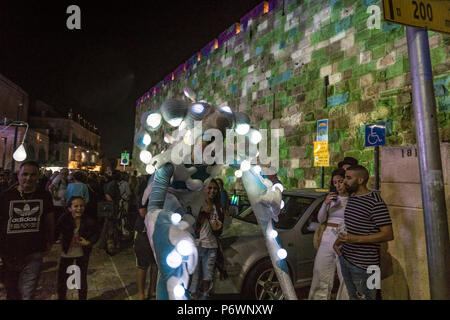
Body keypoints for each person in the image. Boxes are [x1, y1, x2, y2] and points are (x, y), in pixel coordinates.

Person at [333, 165, 394, 300]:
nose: (344, 182)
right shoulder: (353, 198)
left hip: (367, 265)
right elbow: (351, 226)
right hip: (346, 259)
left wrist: (355, 239)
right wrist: (337, 245)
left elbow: (388, 234)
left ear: (360, 180)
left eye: (348, 178)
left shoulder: (375, 202)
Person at [0, 160, 55, 300]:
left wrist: (50, 241)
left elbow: (50, 221)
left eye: (33, 175)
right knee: (12, 292)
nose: (28, 178)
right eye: (25, 174)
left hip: (34, 252)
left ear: (38, 177)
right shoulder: (6, 196)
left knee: (27, 293)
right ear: (18, 175)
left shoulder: (44, 196)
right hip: (9, 253)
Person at [309, 168, 349, 300]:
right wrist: (325, 204)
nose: (338, 185)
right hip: (328, 236)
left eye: (341, 181)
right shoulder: (331, 199)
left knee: (344, 275)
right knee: (321, 271)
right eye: (335, 182)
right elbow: (321, 219)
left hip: (344, 236)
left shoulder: (352, 199)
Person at [56, 196, 99, 300]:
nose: (79, 208)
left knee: (81, 278)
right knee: (63, 278)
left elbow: (97, 233)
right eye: (76, 206)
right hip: (67, 252)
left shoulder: (89, 219)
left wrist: (88, 242)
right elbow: (56, 230)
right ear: (70, 208)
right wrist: (58, 238)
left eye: (81, 206)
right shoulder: (64, 218)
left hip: (82, 252)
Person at [189, 179, 224, 300]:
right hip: (197, 246)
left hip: (212, 247)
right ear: (204, 189)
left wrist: (217, 227)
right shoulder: (197, 204)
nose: (212, 191)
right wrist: (204, 213)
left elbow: (219, 230)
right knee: (195, 278)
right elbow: (192, 225)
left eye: (215, 188)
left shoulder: (218, 207)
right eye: (210, 188)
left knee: (207, 278)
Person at [133, 175, 158, 300]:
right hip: (143, 233)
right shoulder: (144, 193)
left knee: (155, 264)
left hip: (157, 233)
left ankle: (152, 290)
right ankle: (141, 294)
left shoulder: (163, 194)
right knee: (142, 265)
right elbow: (143, 212)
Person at [49, 168, 69, 238]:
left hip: (62, 203)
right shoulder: (58, 178)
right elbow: (50, 187)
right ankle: (55, 236)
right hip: (57, 203)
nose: (66, 174)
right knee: (57, 220)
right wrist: (54, 196)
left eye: (67, 173)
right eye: (65, 173)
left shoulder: (65, 179)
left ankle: (58, 235)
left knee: (61, 220)